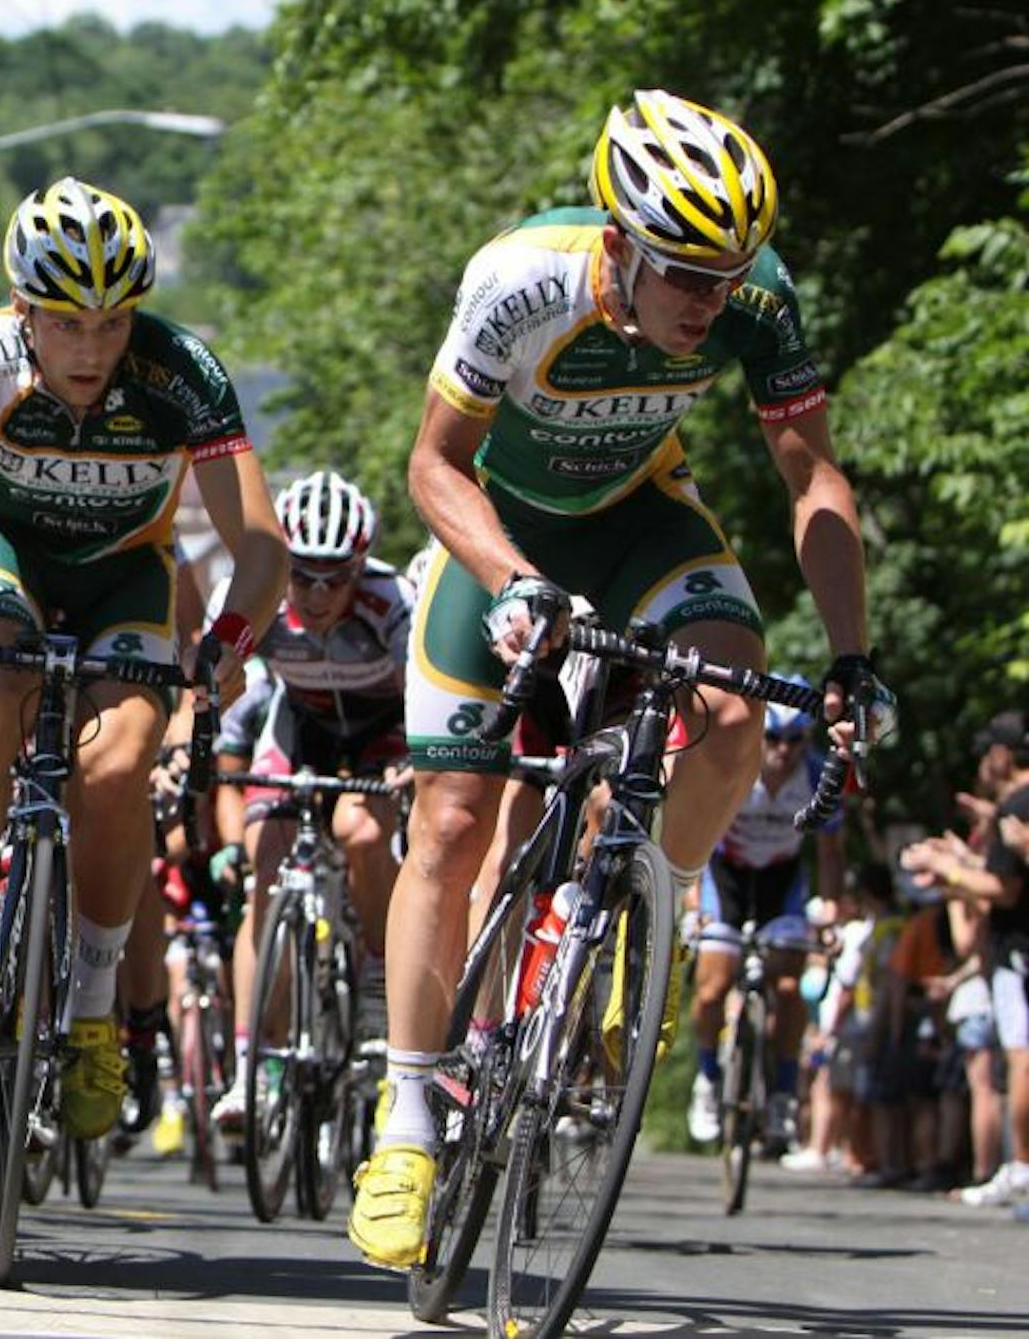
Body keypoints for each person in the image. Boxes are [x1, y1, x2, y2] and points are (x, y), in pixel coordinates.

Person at [353, 91, 885, 1271]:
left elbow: (815, 483)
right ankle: (405, 1121)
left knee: (734, 708)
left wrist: (851, 657)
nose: (712, 300)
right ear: (622, 244)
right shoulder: (521, 280)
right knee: (449, 819)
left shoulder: (755, 297)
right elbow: (432, 465)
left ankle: (642, 921)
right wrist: (510, 578)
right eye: (688, 274)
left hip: (643, 520)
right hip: (501, 534)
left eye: (728, 274)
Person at [0, 176, 287, 1142]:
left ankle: (95, 1012)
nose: (93, 348)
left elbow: (258, 542)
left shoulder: (182, 372)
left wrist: (225, 645)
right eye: (66, 324)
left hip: (124, 576)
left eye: (111, 323)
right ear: (22, 311)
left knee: (117, 762)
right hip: (3, 550)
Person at [211, 471, 412, 1134]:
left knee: (359, 831)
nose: (319, 593)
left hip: (383, 731)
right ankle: (250, 1064)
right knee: (265, 867)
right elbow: (218, 696)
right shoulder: (257, 593)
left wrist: (417, 767)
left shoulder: (392, 601)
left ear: (361, 567)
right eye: (303, 576)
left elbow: (428, 694)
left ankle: (378, 968)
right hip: (302, 727)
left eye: (336, 577)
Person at [687, 690, 845, 1151]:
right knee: (714, 987)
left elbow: (830, 848)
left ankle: (780, 1092)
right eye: (773, 738)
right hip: (726, 876)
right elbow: (695, 830)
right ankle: (708, 1076)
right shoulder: (737, 766)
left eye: (795, 740)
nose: (783, 750)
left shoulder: (819, 773)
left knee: (790, 987)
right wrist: (694, 903)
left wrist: (831, 906)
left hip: (781, 882)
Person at [903, 711, 1029, 1206]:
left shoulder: (1013, 806)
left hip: (1016, 950)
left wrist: (946, 871)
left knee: (1018, 1055)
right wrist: (962, 862)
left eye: (986, 751)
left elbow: (1004, 889)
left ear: (1002, 754)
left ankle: (1020, 1163)